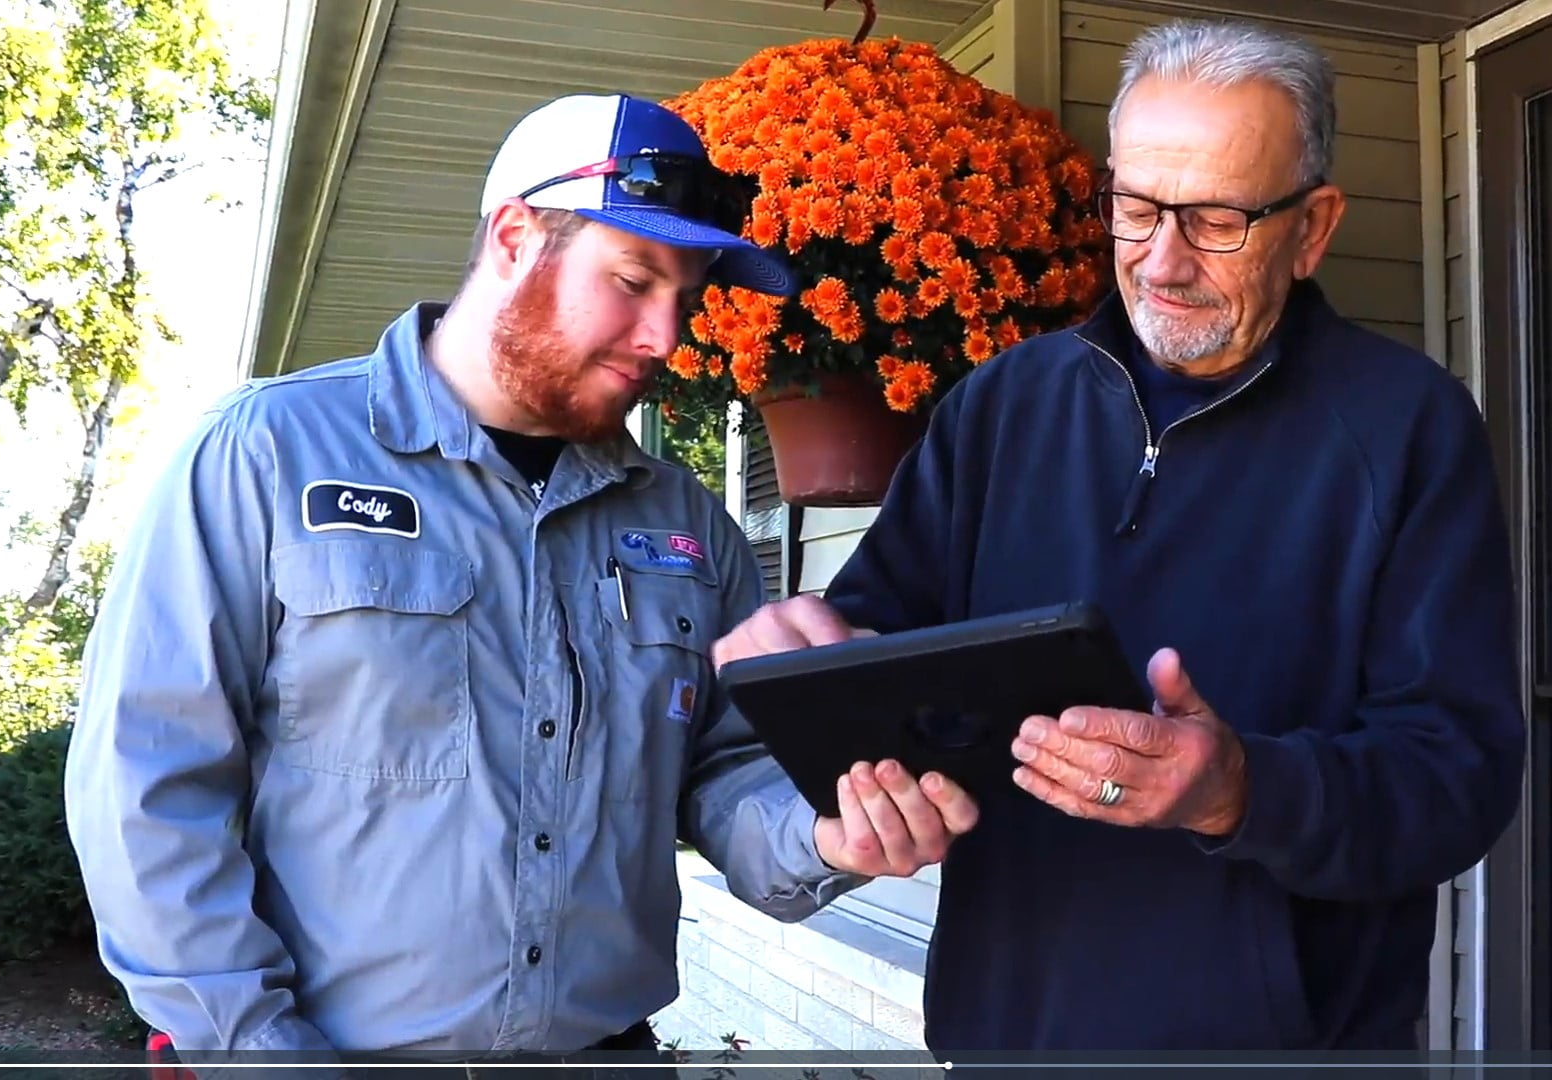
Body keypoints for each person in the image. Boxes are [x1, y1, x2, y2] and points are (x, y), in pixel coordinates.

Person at [63, 92, 978, 1073]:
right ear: (512, 239)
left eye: (687, 296)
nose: (665, 336)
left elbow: (723, 771)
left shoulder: (685, 523)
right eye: (632, 280)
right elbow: (147, 780)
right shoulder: (266, 456)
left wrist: (828, 832)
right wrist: (255, 1050)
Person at [710, 18, 1525, 1055]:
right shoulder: (1001, 406)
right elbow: (875, 645)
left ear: (1314, 228)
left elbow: (1457, 778)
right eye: (1135, 209)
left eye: (1218, 219)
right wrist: (809, 663)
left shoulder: (1408, 426)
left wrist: (1243, 791)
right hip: (1008, 1035)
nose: (1162, 263)